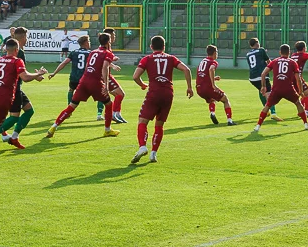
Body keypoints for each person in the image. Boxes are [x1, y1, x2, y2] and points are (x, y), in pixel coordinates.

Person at [131, 35, 193, 164]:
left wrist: (142, 85)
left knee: (142, 121)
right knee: (159, 124)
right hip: (168, 93)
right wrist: (189, 88)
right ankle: (153, 154)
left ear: (151, 46)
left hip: (154, 93)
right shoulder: (171, 58)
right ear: (164, 47)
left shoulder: (147, 59)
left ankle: (142, 146)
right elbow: (186, 69)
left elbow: (135, 76)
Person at [47, 32, 119, 138]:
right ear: (108, 42)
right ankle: (107, 129)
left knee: (72, 106)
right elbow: (104, 68)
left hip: (84, 81)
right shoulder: (107, 53)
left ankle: (54, 126)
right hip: (95, 83)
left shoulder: (93, 52)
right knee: (108, 103)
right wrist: (106, 86)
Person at [253, 44, 308, 133]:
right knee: (298, 103)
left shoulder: (275, 61)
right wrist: (301, 91)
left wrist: (263, 86)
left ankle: (257, 126)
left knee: (267, 106)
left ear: (280, 52)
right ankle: (306, 124)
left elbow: (263, 74)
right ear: (289, 52)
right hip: (288, 89)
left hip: (276, 90)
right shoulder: (292, 62)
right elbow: (298, 78)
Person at [195, 45, 235, 125]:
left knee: (212, 99)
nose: (217, 54)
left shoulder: (203, 61)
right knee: (225, 100)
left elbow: (203, 74)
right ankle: (230, 121)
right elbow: (211, 69)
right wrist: (213, 85)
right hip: (208, 87)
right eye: (217, 52)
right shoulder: (213, 62)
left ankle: (212, 113)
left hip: (199, 88)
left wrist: (213, 78)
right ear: (214, 53)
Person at [49, 35, 92, 104]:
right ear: (86, 43)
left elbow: (64, 63)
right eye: (89, 41)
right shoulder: (90, 53)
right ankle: (99, 112)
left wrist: (54, 73)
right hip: (85, 78)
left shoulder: (74, 52)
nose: (89, 43)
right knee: (98, 91)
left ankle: (69, 106)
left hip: (74, 77)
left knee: (71, 90)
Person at [246, 38, 280, 121]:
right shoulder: (261, 50)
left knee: (261, 90)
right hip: (262, 75)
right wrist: (275, 70)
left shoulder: (248, 54)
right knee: (270, 94)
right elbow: (269, 62)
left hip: (252, 78)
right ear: (257, 43)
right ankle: (273, 113)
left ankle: (266, 110)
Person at [95, 27, 125, 123]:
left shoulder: (104, 47)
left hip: (101, 74)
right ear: (109, 35)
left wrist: (112, 65)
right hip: (104, 75)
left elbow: (104, 60)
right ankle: (114, 114)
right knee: (120, 94)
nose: (115, 36)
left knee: (111, 95)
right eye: (113, 35)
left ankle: (113, 114)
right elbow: (104, 62)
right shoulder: (106, 47)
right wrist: (112, 64)